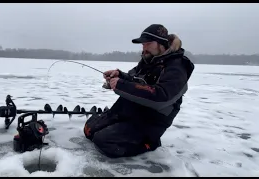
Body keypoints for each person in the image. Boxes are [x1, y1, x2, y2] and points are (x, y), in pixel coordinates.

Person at [83, 24, 195, 158]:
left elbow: (161, 96)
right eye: (143, 44)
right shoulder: (148, 60)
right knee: (89, 131)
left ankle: (149, 143)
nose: (144, 47)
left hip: (150, 121)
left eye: (148, 43)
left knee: (103, 142)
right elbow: (134, 78)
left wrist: (121, 85)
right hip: (130, 111)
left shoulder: (176, 67)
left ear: (161, 44)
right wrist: (119, 75)